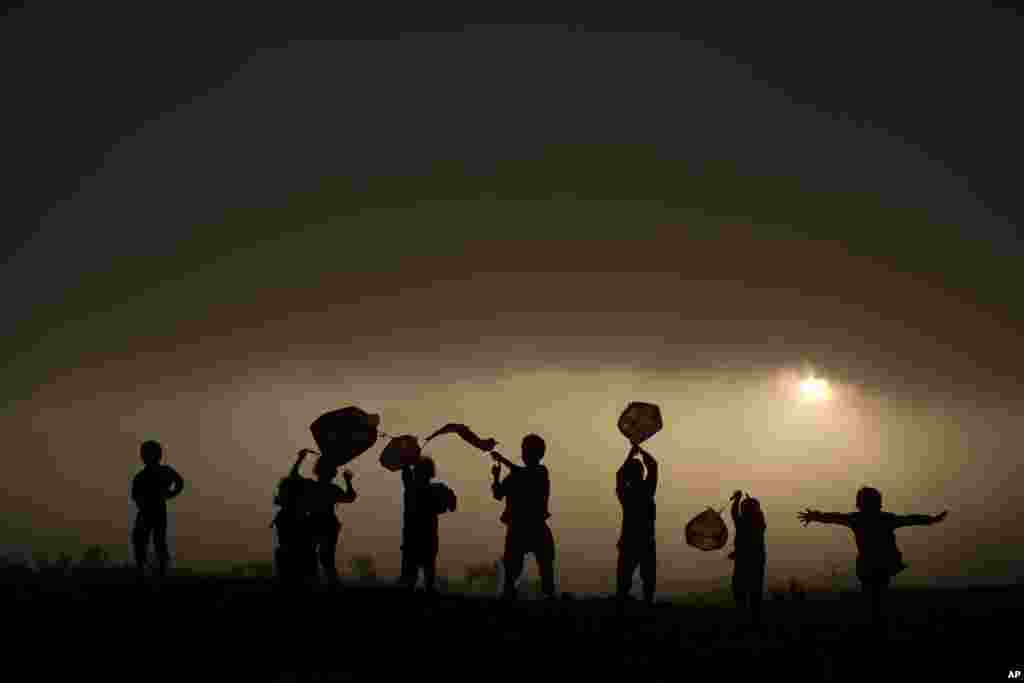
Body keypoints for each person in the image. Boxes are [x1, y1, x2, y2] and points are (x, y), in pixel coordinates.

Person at [798, 486, 948, 627]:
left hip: (871, 565)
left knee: (873, 596)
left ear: (859, 504)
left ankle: (873, 620)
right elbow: (911, 519)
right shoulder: (881, 519)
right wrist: (931, 520)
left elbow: (833, 518)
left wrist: (815, 516)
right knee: (876, 596)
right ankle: (875, 620)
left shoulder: (860, 519)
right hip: (877, 565)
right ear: (878, 503)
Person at [490, 434, 556, 600]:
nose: (525, 454)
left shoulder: (539, 472)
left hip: (528, 526)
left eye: (528, 450)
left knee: (544, 563)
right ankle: (514, 594)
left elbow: (520, 475)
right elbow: (498, 494)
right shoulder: (519, 474)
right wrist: (496, 477)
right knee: (515, 570)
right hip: (525, 526)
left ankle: (546, 594)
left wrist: (502, 461)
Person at [399, 456, 457, 595]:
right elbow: (452, 506)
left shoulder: (411, 488)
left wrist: (409, 456)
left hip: (413, 538)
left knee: (410, 579)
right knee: (427, 575)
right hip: (427, 538)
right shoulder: (436, 489)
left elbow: (405, 469)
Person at [131, 440, 185, 580]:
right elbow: (179, 482)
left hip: (152, 512)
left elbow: (179, 482)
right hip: (151, 512)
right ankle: (147, 570)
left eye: (145, 453)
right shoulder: (143, 476)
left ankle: (155, 571)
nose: (142, 456)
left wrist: (170, 494)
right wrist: (170, 494)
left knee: (154, 542)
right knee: (146, 541)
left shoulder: (152, 474)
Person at [615, 443, 658, 610]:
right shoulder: (647, 490)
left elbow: (619, 475)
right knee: (648, 580)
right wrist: (640, 450)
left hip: (629, 541)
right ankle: (647, 608)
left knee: (624, 581)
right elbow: (653, 465)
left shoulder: (626, 494)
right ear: (642, 473)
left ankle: (622, 608)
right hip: (646, 541)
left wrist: (631, 453)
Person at [304, 456, 357, 588]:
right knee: (326, 558)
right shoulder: (332, 489)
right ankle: (332, 583)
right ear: (333, 474)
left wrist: (299, 460)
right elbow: (350, 498)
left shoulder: (311, 486)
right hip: (328, 524)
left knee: (312, 556)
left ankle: (316, 582)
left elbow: (349, 498)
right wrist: (348, 481)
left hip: (315, 523)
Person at [271, 449, 317, 587]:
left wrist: (300, 459)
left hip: (291, 553)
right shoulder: (293, 515)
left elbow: (293, 475)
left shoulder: (285, 515)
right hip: (296, 553)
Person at [729, 490, 766, 627]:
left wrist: (737, 500)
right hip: (755, 560)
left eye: (745, 507)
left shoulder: (746, 521)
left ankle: (745, 620)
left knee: (742, 591)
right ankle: (753, 621)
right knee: (753, 592)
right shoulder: (757, 521)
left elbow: (734, 515)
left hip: (746, 561)